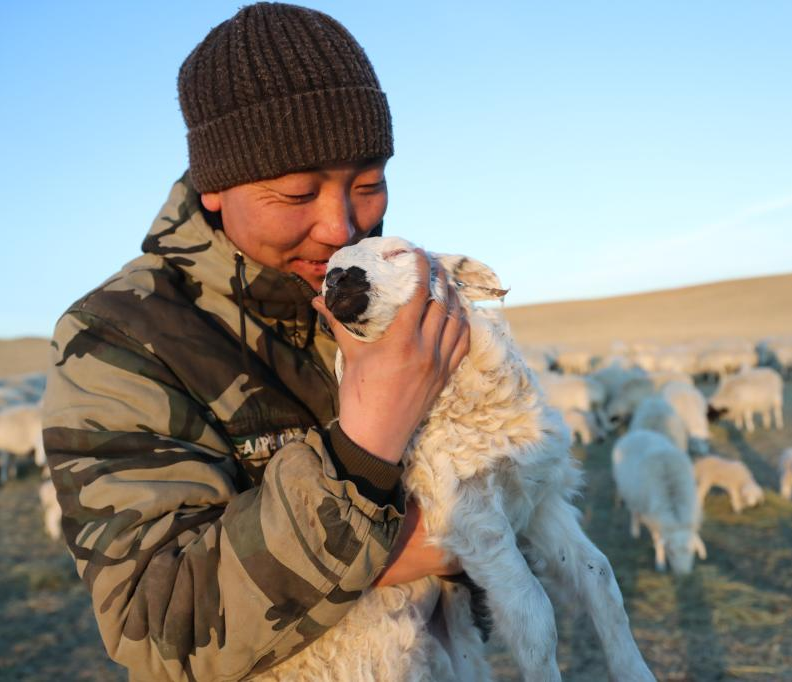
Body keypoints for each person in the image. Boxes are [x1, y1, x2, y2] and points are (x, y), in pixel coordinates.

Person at [41, 3, 470, 680]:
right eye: (296, 194)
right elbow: (154, 620)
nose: (341, 226)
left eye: (368, 183)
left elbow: (516, 515)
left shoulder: (404, 295)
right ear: (214, 188)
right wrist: (366, 446)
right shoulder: (119, 337)